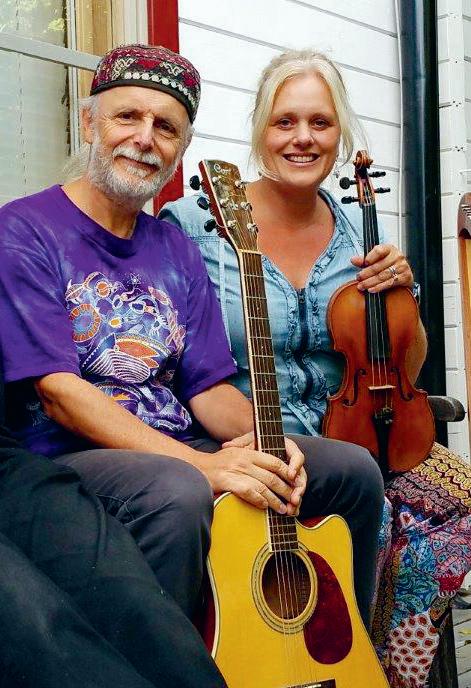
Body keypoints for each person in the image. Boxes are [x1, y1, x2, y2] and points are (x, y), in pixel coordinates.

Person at [0, 43, 384, 632]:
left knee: (350, 469)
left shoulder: (174, 246)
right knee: (178, 490)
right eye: (128, 116)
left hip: (178, 447)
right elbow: (58, 393)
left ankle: (342, 649)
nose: (145, 138)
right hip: (67, 459)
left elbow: (207, 388)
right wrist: (202, 466)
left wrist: (269, 440)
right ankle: (170, 667)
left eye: (166, 127)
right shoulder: (24, 229)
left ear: (181, 147)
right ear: (90, 122)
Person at [160, 48, 471, 688]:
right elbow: (170, 356)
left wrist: (402, 301)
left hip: (365, 430)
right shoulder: (196, 223)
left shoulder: (361, 229)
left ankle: (392, 665)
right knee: (370, 518)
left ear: (340, 133)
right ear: (260, 129)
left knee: (459, 499)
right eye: (285, 121)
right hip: (249, 438)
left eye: (320, 123)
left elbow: (406, 370)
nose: (302, 138)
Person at [0, 362, 227, 688]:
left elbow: (208, 386)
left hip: (8, 463)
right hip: (52, 447)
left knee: (140, 608)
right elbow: (56, 389)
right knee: (30, 614)